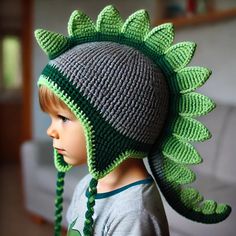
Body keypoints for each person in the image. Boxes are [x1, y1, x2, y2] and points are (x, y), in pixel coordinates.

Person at [35, 5, 231, 236]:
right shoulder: (88, 185)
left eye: (63, 118)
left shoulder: (134, 214)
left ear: (110, 130)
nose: (51, 131)